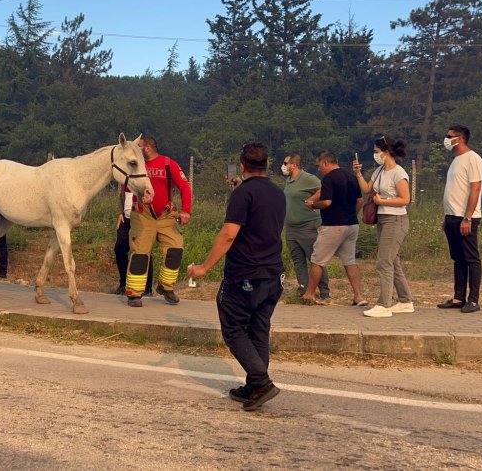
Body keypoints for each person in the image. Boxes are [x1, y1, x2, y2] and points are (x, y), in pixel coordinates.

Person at [186, 142, 285, 411]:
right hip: (273, 274)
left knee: (233, 329)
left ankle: (262, 382)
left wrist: (204, 267)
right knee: (259, 330)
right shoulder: (278, 192)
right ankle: (254, 386)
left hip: (245, 274)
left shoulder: (243, 194)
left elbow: (229, 234)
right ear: (267, 164)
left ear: (242, 166)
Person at [124, 135, 192, 307]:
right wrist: (123, 211)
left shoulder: (169, 164)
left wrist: (186, 211)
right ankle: (134, 294)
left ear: (147, 148)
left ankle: (166, 287)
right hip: (142, 214)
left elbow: (185, 187)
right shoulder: (136, 165)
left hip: (166, 215)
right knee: (140, 252)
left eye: (138, 147)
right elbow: (127, 189)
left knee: (175, 248)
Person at [354, 137, 414, 318]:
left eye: (376, 151)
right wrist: (358, 174)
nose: (375, 154)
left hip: (396, 221)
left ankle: (384, 304)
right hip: (382, 220)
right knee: (393, 262)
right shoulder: (379, 170)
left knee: (383, 262)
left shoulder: (399, 173)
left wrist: (383, 201)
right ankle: (405, 301)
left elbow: (406, 199)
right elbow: (367, 189)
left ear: (386, 152)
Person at [300, 151, 366, 306]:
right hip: (351, 225)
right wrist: (351, 215)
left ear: (325, 163)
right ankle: (358, 296)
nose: (319, 170)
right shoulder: (351, 177)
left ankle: (309, 294)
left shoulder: (329, 178)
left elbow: (327, 202)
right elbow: (360, 201)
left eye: (319, 166)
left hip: (333, 225)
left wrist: (313, 205)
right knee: (350, 261)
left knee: (317, 260)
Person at [438, 125, 482, 313]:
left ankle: (473, 300)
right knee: (458, 259)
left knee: (471, 258)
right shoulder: (456, 160)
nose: (447, 139)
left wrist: (468, 217)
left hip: (465, 218)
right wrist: (447, 217)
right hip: (452, 217)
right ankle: (458, 297)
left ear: (460, 138)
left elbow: (475, 188)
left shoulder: (473, 159)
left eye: (450, 136)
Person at [281, 152, 329, 299]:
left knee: (315, 259)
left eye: (286, 163)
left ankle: (324, 291)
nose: (283, 166)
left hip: (308, 226)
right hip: (291, 228)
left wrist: (312, 201)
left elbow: (324, 189)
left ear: (294, 165)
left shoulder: (308, 178)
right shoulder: (289, 180)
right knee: (298, 260)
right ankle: (304, 289)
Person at [113, 190, 153, 295]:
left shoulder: (144, 178)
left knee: (144, 251)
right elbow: (122, 196)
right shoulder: (125, 178)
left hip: (140, 218)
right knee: (119, 249)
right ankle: (124, 284)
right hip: (125, 219)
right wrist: (120, 212)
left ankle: (147, 288)